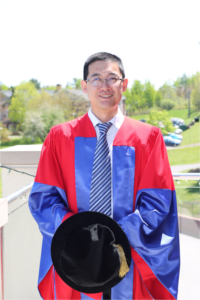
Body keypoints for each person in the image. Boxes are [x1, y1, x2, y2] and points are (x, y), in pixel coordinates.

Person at [29, 52, 180, 300]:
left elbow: (157, 202)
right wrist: (80, 235)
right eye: (96, 79)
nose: (104, 86)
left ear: (125, 84)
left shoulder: (148, 138)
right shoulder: (60, 137)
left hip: (129, 255)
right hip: (78, 257)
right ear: (84, 86)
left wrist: (113, 238)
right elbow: (44, 200)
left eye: (112, 78)